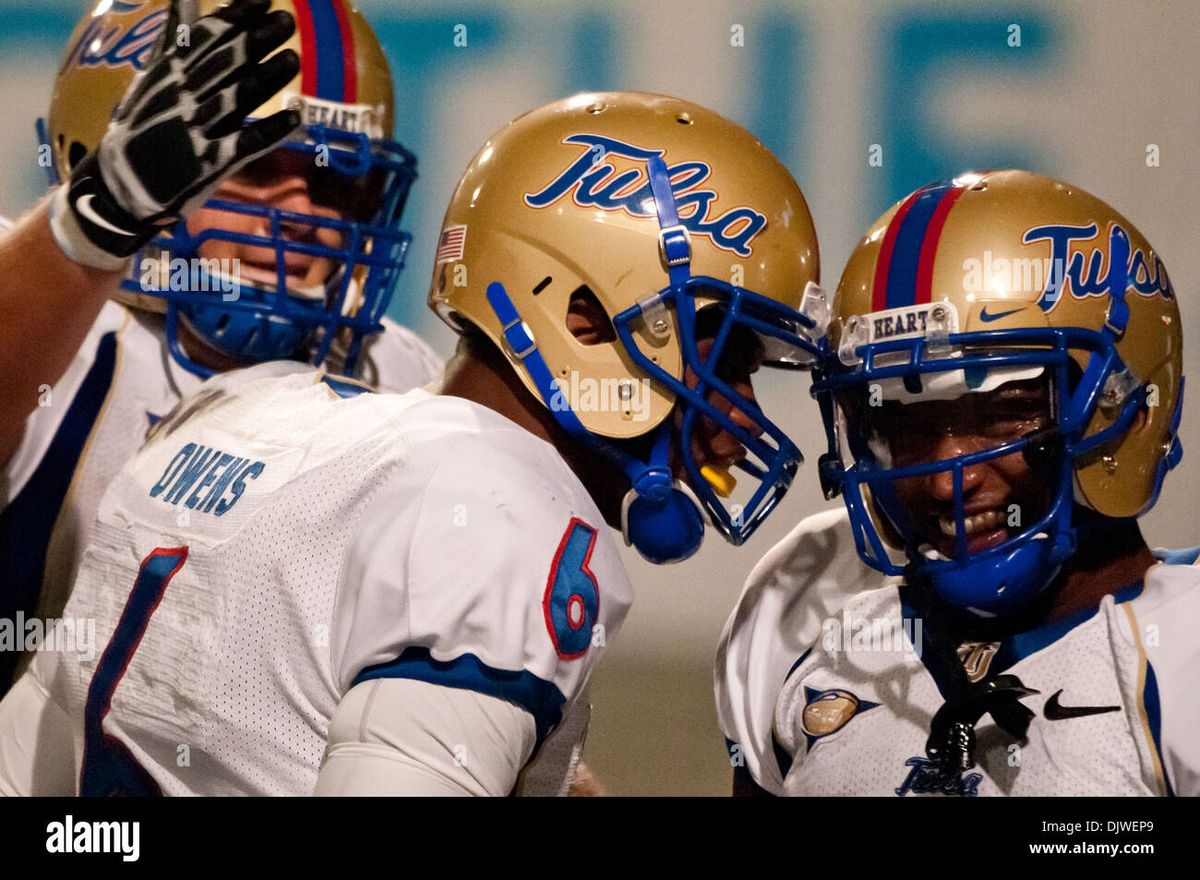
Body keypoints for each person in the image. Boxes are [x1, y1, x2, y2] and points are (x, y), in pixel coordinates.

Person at [0, 91, 828, 796]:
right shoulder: (501, 516)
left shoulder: (247, 400)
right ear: (583, 318)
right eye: (729, 359)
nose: (741, 411)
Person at [0, 0, 441, 692]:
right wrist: (93, 227)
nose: (303, 216)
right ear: (111, 153)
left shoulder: (399, 374)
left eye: (332, 180)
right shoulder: (61, 333)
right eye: (256, 167)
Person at [716, 169, 1196, 796]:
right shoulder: (806, 613)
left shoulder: (1180, 650)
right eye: (906, 421)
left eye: (998, 415)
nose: (950, 478)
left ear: (1121, 407)